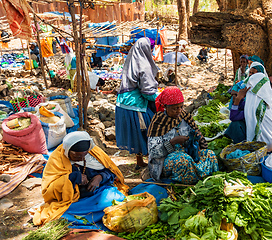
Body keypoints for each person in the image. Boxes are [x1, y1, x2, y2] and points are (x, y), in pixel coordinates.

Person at [33, 131, 128, 225]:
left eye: (84, 155)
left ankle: (93, 214)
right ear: (67, 151)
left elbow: (112, 171)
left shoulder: (95, 153)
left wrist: (99, 177)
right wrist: (73, 178)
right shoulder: (57, 160)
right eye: (77, 156)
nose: (82, 159)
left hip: (99, 192)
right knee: (60, 214)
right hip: (75, 199)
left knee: (116, 199)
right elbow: (49, 190)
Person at [147, 87, 219, 184]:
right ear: (165, 107)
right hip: (165, 162)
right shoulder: (158, 122)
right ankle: (190, 183)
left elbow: (197, 136)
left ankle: (207, 181)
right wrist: (173, 142)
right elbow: (153, 152)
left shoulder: (184, 117)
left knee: (209, 154)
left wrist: (195, 138)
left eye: (181, 107)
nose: (179, 110)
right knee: (183, 160)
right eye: (175, 108)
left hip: (188, 155)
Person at [116, 37, 158, 170]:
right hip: (135, 105)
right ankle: (153, 162)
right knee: (150, 129)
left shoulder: (130, 60)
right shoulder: (144, 65)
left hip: (122, 103)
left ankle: (139, 161)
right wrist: (160, 98)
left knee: (136, 133)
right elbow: (147, 92)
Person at [243, 62, 272, 151]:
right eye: (250, 72)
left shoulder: (260, 82)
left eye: (253, 73)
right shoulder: (251, 92)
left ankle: (266, 147)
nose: (251, 75)